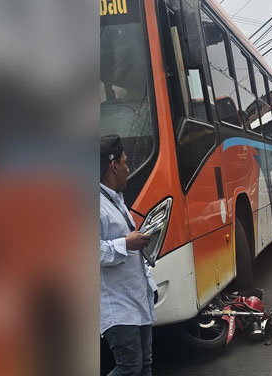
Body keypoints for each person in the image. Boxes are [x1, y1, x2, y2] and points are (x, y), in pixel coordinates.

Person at [100, 134, 157, 376]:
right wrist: (126, 243)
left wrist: (150, 286)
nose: (128, 168)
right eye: (125, 162)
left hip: (137, 300)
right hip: (117, 307)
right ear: (114, 166)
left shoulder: (116, 200)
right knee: (130, 368)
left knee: (145, 365)